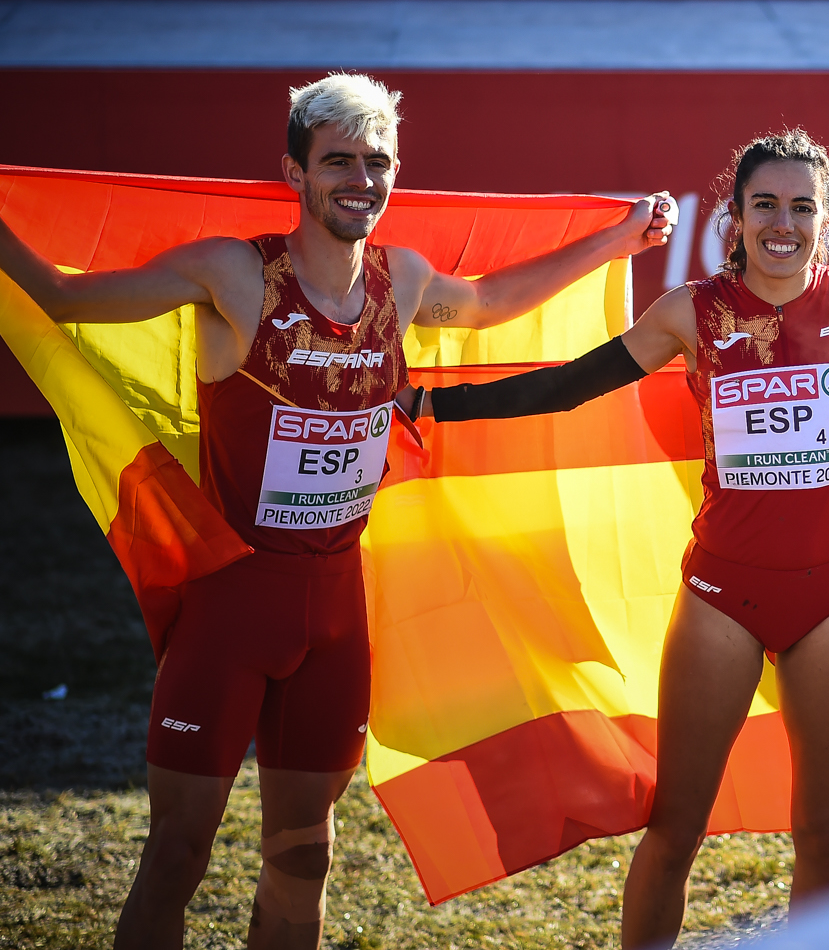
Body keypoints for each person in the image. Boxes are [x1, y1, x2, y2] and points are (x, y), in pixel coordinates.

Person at [0, 73, 674, 950]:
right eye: (339, 161)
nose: (362, 179)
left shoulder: (403, 281)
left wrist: (617, 240)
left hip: (335, 619)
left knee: (305, 856)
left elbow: (490, 303)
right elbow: (66, 301)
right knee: (176, 854)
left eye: (377, 161)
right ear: (295, 171)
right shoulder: (234, 274)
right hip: (231, 612)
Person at [406, 130, 829, 948]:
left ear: (826, 218)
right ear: (735, 216)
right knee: (678, 827)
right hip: (722, 600)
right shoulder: (690, 310)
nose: (784, 223)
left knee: (824, 834)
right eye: (765, 205)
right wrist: (434, 403)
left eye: (802, 207)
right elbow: (571, 386)